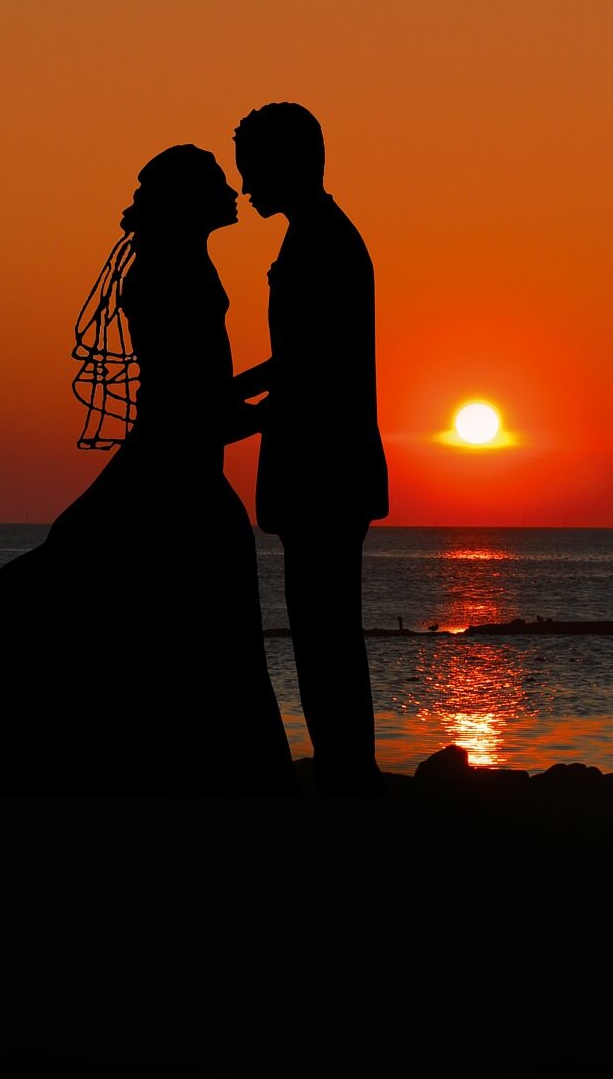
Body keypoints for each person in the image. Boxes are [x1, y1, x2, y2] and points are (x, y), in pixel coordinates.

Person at [0, 145, 293, 795]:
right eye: (215, 184)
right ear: (189, 202)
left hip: (169, 465)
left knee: (74, 594)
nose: (232, 192)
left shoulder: (174, 266)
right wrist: (275, 402)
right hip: (173, 476)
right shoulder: (178, 273)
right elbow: (194, 399)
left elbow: (200, 393)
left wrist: (269, 389)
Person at [232, 104, 388, 792]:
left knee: (325, 636)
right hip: (327, 470)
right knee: (325, 634)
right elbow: (296, 359)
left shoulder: (323, 243)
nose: (246, 187)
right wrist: (235, 392)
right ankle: (345, 770)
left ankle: (346, 775)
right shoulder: (320, 238)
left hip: (323, 472)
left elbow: (311, 369)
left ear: (289, 164)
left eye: (254, 169)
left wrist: (236, 410)